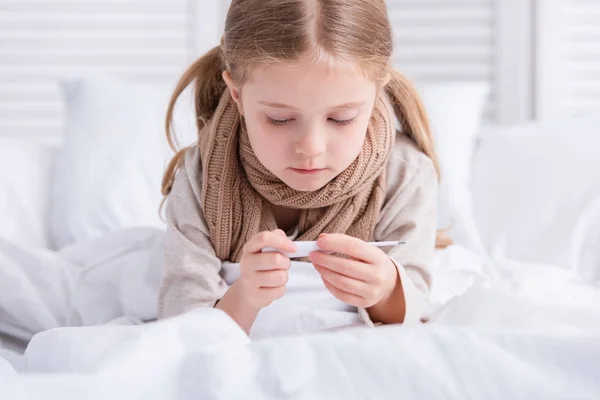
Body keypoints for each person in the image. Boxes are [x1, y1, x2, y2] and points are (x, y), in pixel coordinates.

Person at [158, 0, 449, 336]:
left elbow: (417, 313)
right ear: (236, 94)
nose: (311, 147)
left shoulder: (405, 173)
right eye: (279, 119)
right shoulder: (200, 177)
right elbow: (182, 325)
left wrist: (385, 291)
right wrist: (244, 296)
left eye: (341, 118)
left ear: (376, 91)